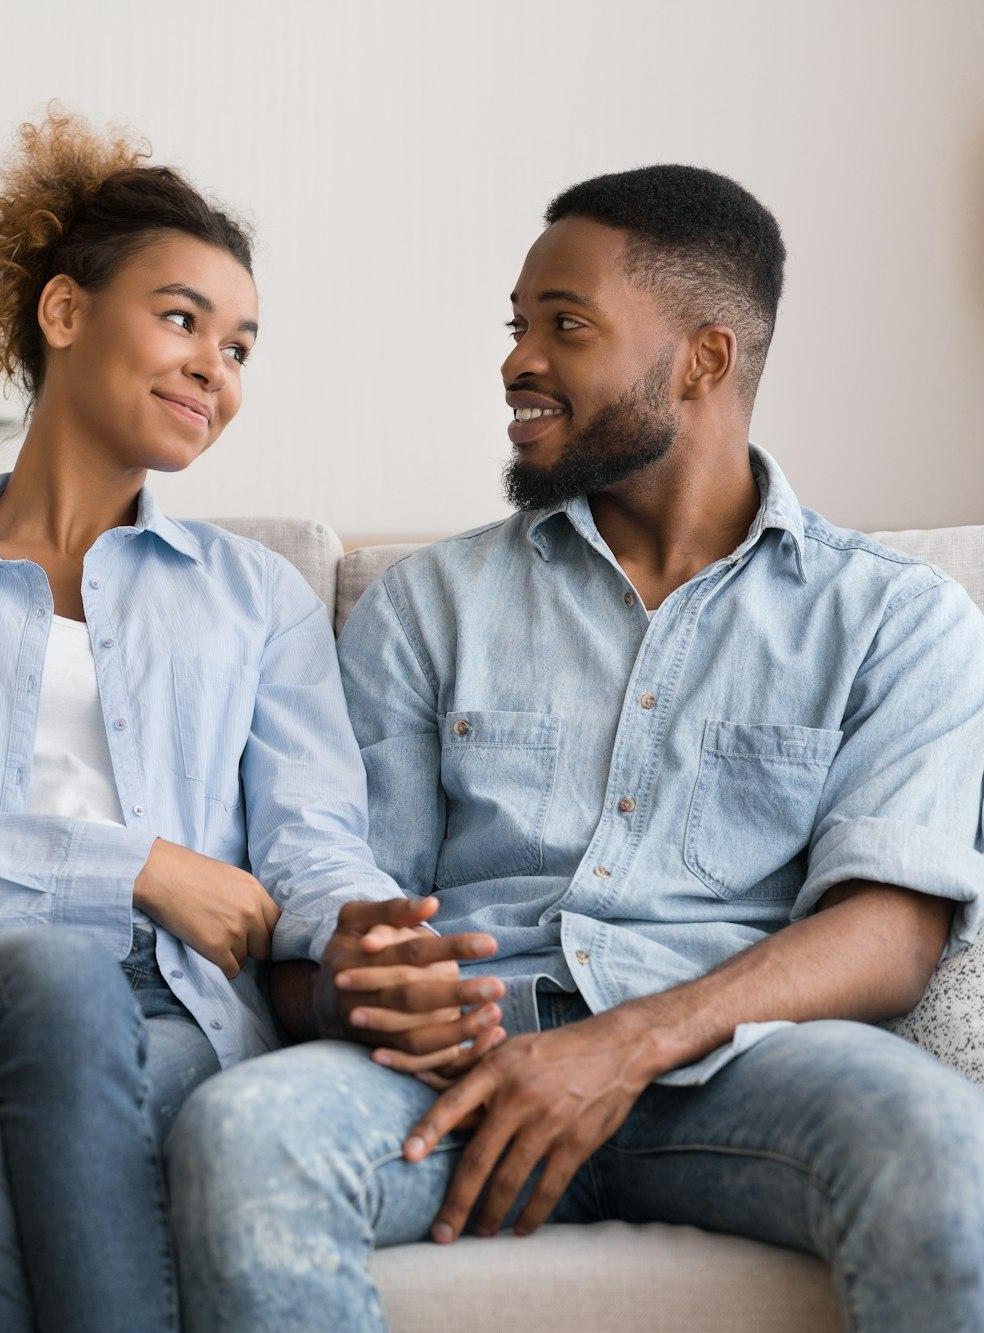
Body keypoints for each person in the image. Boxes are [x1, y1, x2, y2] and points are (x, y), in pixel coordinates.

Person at [167, 164, 984, 1331]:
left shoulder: (897, 619)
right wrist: (349, 978)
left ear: (703, 359)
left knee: (937, 1137)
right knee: (242, 1133)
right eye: (517, 326)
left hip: (737, 1066)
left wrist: (623, 1045)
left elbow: (890, 930)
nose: (515, 361)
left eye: (566, 326)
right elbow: (329, 912)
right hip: (460, 1069)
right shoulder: (423, 606)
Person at [0, 107, 488, 1333]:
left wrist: (360, 928)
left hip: (172, 1007)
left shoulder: (257, 598)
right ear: (65, 313)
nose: (213, 368)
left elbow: (308, 838)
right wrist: (127, 867)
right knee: (45, 972)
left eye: (239, 346)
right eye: (181, 319)